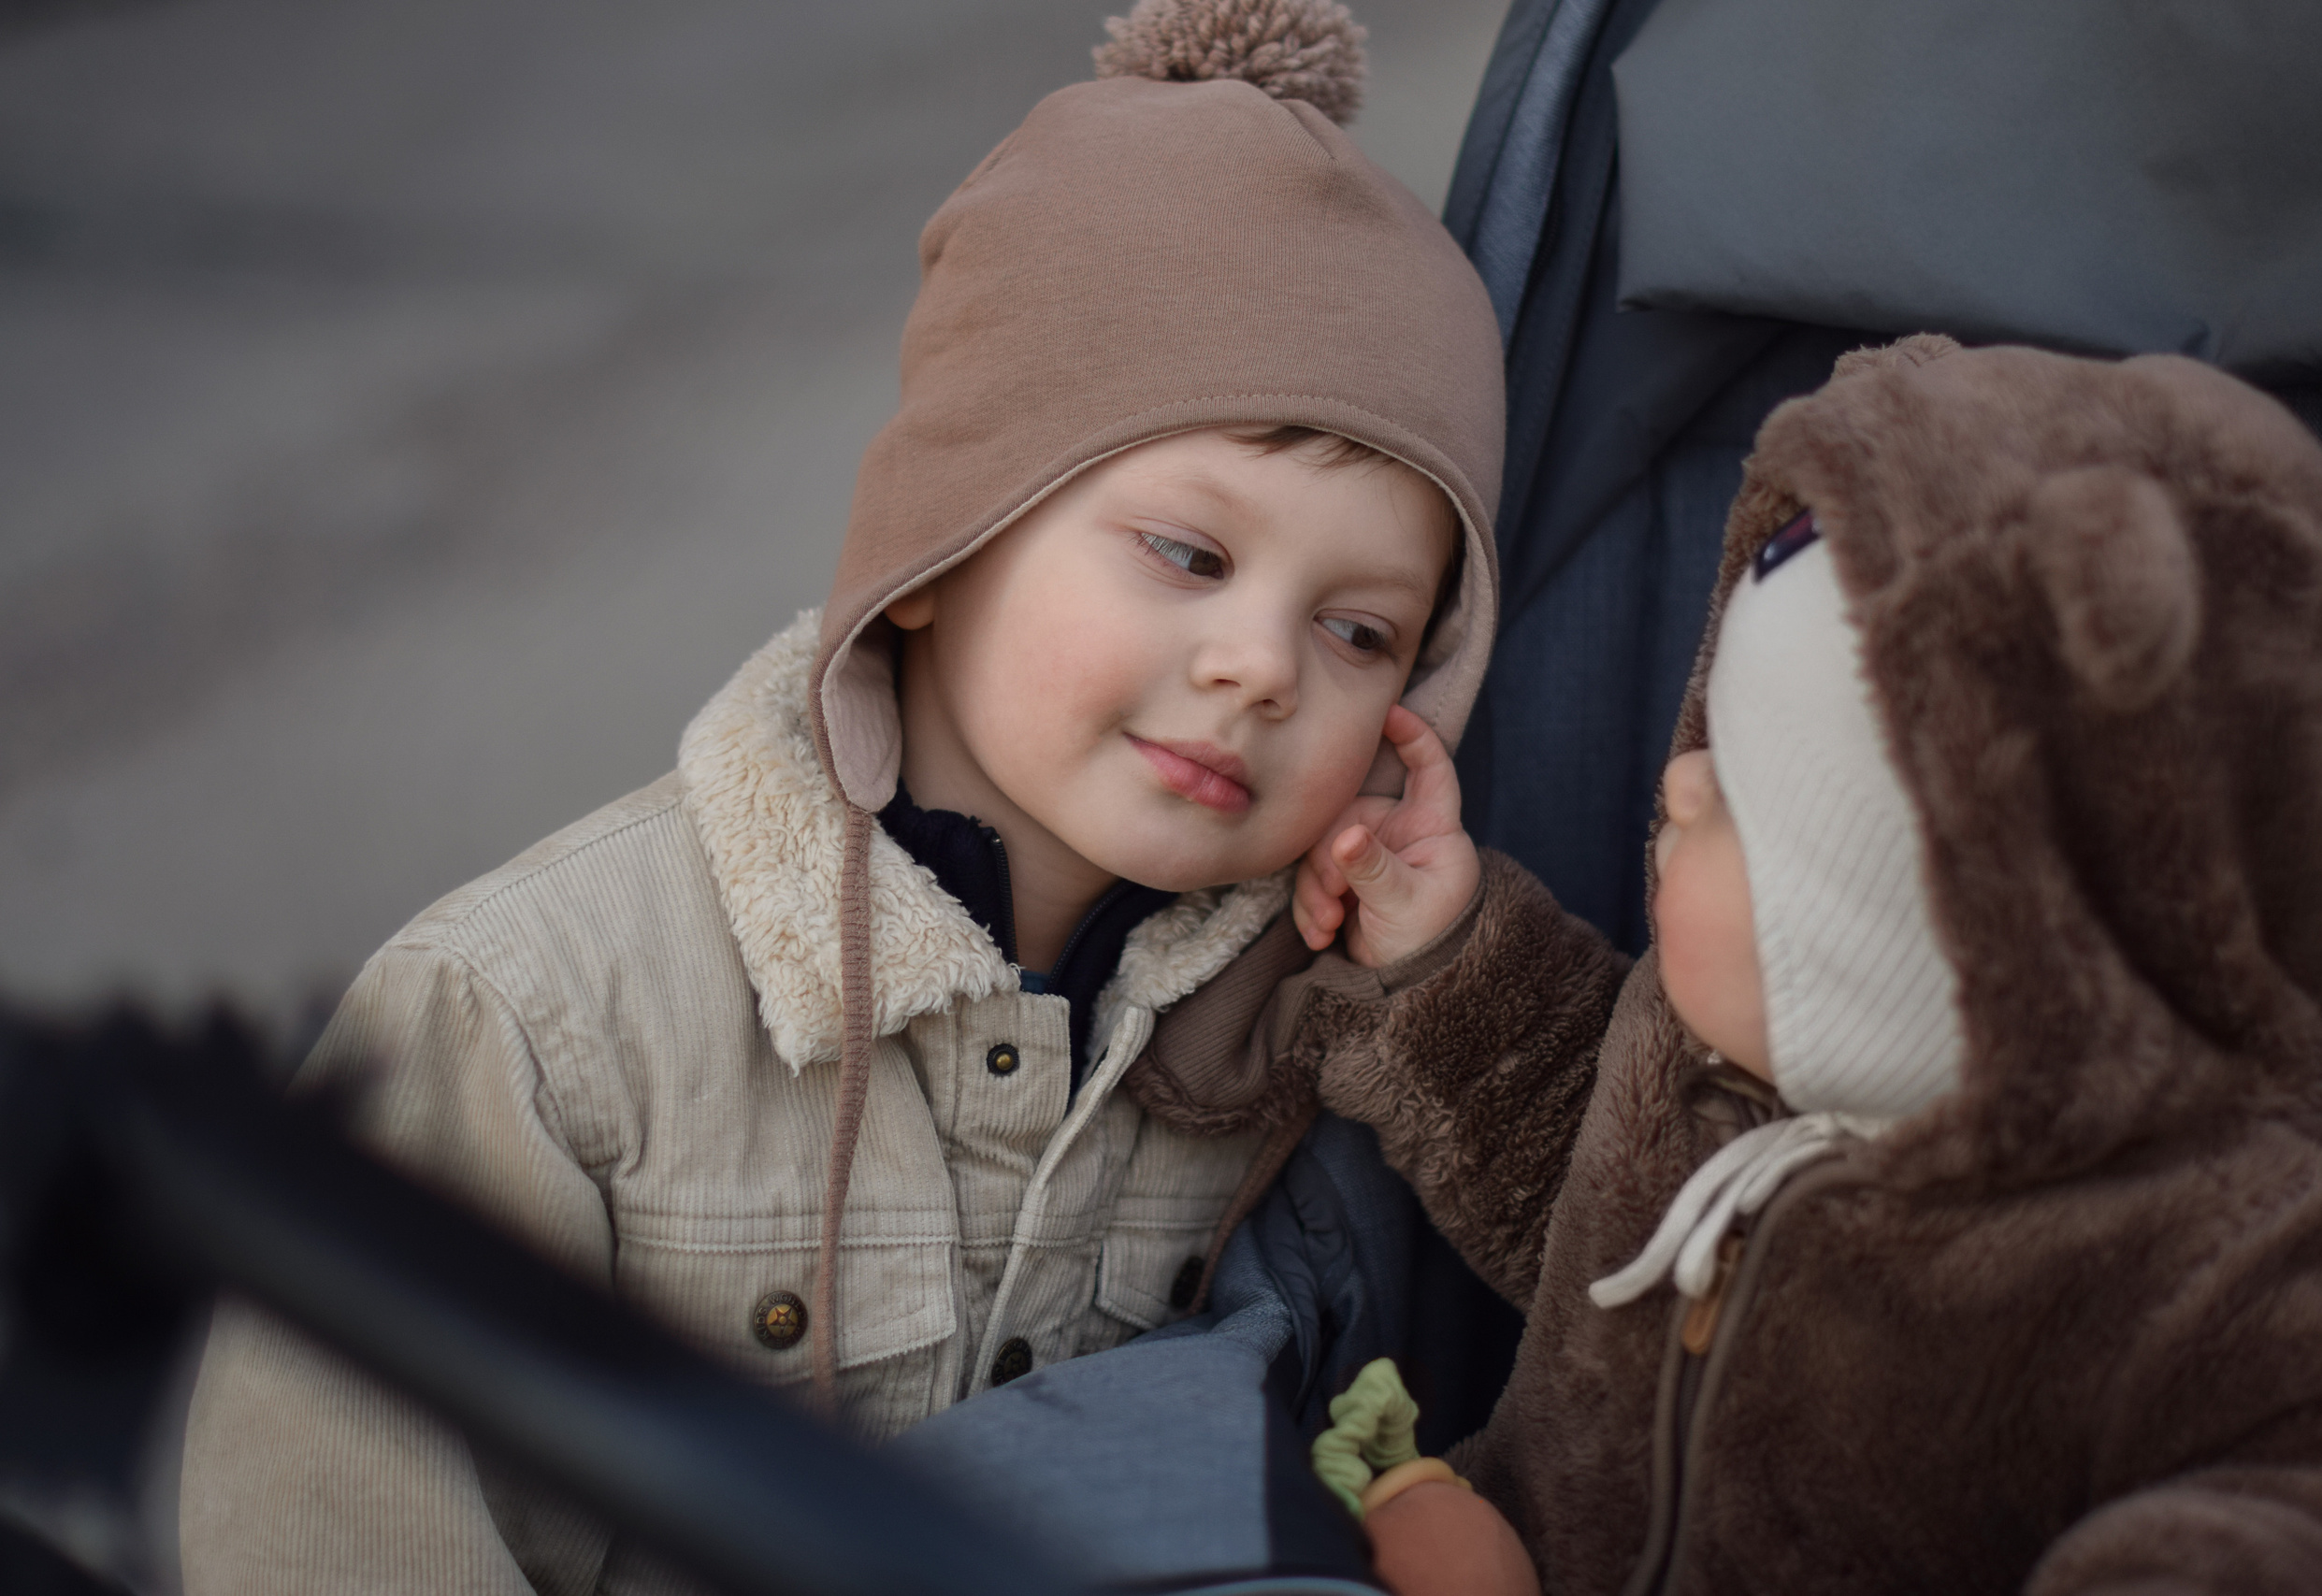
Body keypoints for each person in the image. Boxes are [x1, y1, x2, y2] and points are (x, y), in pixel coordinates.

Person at [177, 1, 1505, 1588]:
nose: (1261, 666)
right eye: (1189, 553)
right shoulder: (523, 1021)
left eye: (1361, 632)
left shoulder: (1322, 1034)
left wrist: (1444, 982)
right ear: (947, 538)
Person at [1286, 336, 2322, 1593]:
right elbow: (1583, 1202)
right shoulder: (1697, 1056)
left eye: (1754, 796)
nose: (1680, 779)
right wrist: (1442, 953)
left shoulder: (2223, 1282)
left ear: (1986, 936)